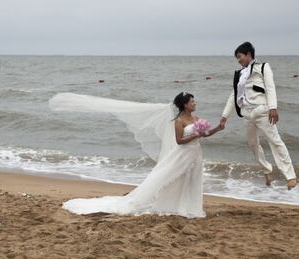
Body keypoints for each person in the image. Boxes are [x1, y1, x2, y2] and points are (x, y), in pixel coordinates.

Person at [49, 92, 223, 218]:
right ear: (185, 104)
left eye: (194, 101)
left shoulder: (196, 118)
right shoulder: (179, 121)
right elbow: (179, 140)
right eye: (192, 101)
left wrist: (217, 128)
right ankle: (172, 205)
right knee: (170, 179)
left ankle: (189, 207)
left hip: (195, 154)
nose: (195, 103)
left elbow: (204, 134)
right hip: (182, 154)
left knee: (192, 180)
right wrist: (195, 135)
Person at [219, 42, 297, 190]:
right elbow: (233, 95)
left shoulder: (263, 67)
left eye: (240, 56)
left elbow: (270, 87)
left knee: (275, 141)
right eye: (237, 58)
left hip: (262, 111)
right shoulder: (239, 74)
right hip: (247, 114)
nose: (238, 60)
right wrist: (224, 116)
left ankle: (290, 176)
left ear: (248, 54)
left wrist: (273, 107)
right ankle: (267, 169)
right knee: (252, 144)